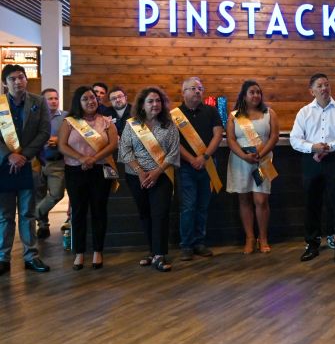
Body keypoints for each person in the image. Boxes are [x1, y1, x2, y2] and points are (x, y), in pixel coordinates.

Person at [290, 73, 335, 263]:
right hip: (311, 161)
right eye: (319, 86)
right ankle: (312, 244)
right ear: (312, 91)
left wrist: (328, 147)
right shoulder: (304, 112)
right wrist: (313, 147)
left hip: (334, 160)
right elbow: (295, 139)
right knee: (312, 203)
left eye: (327, 84)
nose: (324, 88)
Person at [118, 87, 180, 272]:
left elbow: (174, 152)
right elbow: (125, 150)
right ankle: (152, 252)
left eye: (158, 101)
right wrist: (140, 172)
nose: (155, 105)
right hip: (136, 177)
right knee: (145, 214)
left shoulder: (169, 125)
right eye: (150, 101)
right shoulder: (132, 124)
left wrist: (156, 172)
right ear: (142, 105)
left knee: (160, 214)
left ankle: (160, 255)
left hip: (162, 176)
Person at [57, 86, 118, 270]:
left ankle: (98, 251)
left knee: (99, 211)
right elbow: (62, 145)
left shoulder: (107, 121)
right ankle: (79, 252)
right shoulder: (69, 122)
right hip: (76, 171)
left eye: (93, 98)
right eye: (85, 99)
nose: (91, 101)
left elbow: (113, 144)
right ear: (78, 102)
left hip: (100, 171)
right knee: (78, 212)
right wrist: (82, 158)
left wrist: (94, 159)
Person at [0, 65, 51, 274]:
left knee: (29, 214)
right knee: (5, 215)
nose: (18, 82)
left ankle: (31, 256)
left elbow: (44, 132)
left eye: (21, 77)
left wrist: (24, 156)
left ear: (26, 79)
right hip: (3, 166)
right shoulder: (0, 104)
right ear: (4, 83)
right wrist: (9, 155)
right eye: (12, 79)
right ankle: (3, 258)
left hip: (28, 164)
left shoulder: (38, 102)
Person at [226, 80, 279, 254]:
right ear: (244, 95)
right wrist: (243, 156)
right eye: (252, 92)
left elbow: (274, 136)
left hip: (262, 161)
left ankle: (263, 238)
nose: (256, 95)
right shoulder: (235, 115)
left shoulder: (269, 113)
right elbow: (231, 139)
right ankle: (249, 238)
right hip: (241, 161)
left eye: (258, 92)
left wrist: (261, 154)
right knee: (244, 199)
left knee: (261, 200)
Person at [174, 77, 223, 261]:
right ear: (183, 92)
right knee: (188, 207)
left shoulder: (211, 111)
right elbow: (174, 142)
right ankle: (186, 245)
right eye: (193, 88)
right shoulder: (175, 114)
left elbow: (218, 135)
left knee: (202, 206)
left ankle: (199, 243)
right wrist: (192, 159)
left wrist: (204, 157)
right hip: (186, 167)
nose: (197, 91)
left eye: (200, 88)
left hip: (208, 165)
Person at [34, 88, 66, 239]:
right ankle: (43, 226)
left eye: (55, 98)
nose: (54, 101)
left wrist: (59, 141)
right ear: (42, 101)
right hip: (37, 162)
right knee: (39, 194)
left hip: (57, 163)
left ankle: (31, 216)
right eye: (50, 99)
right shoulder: (36, 117)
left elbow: (73, 137)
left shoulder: (66, 117)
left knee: (56, 194)